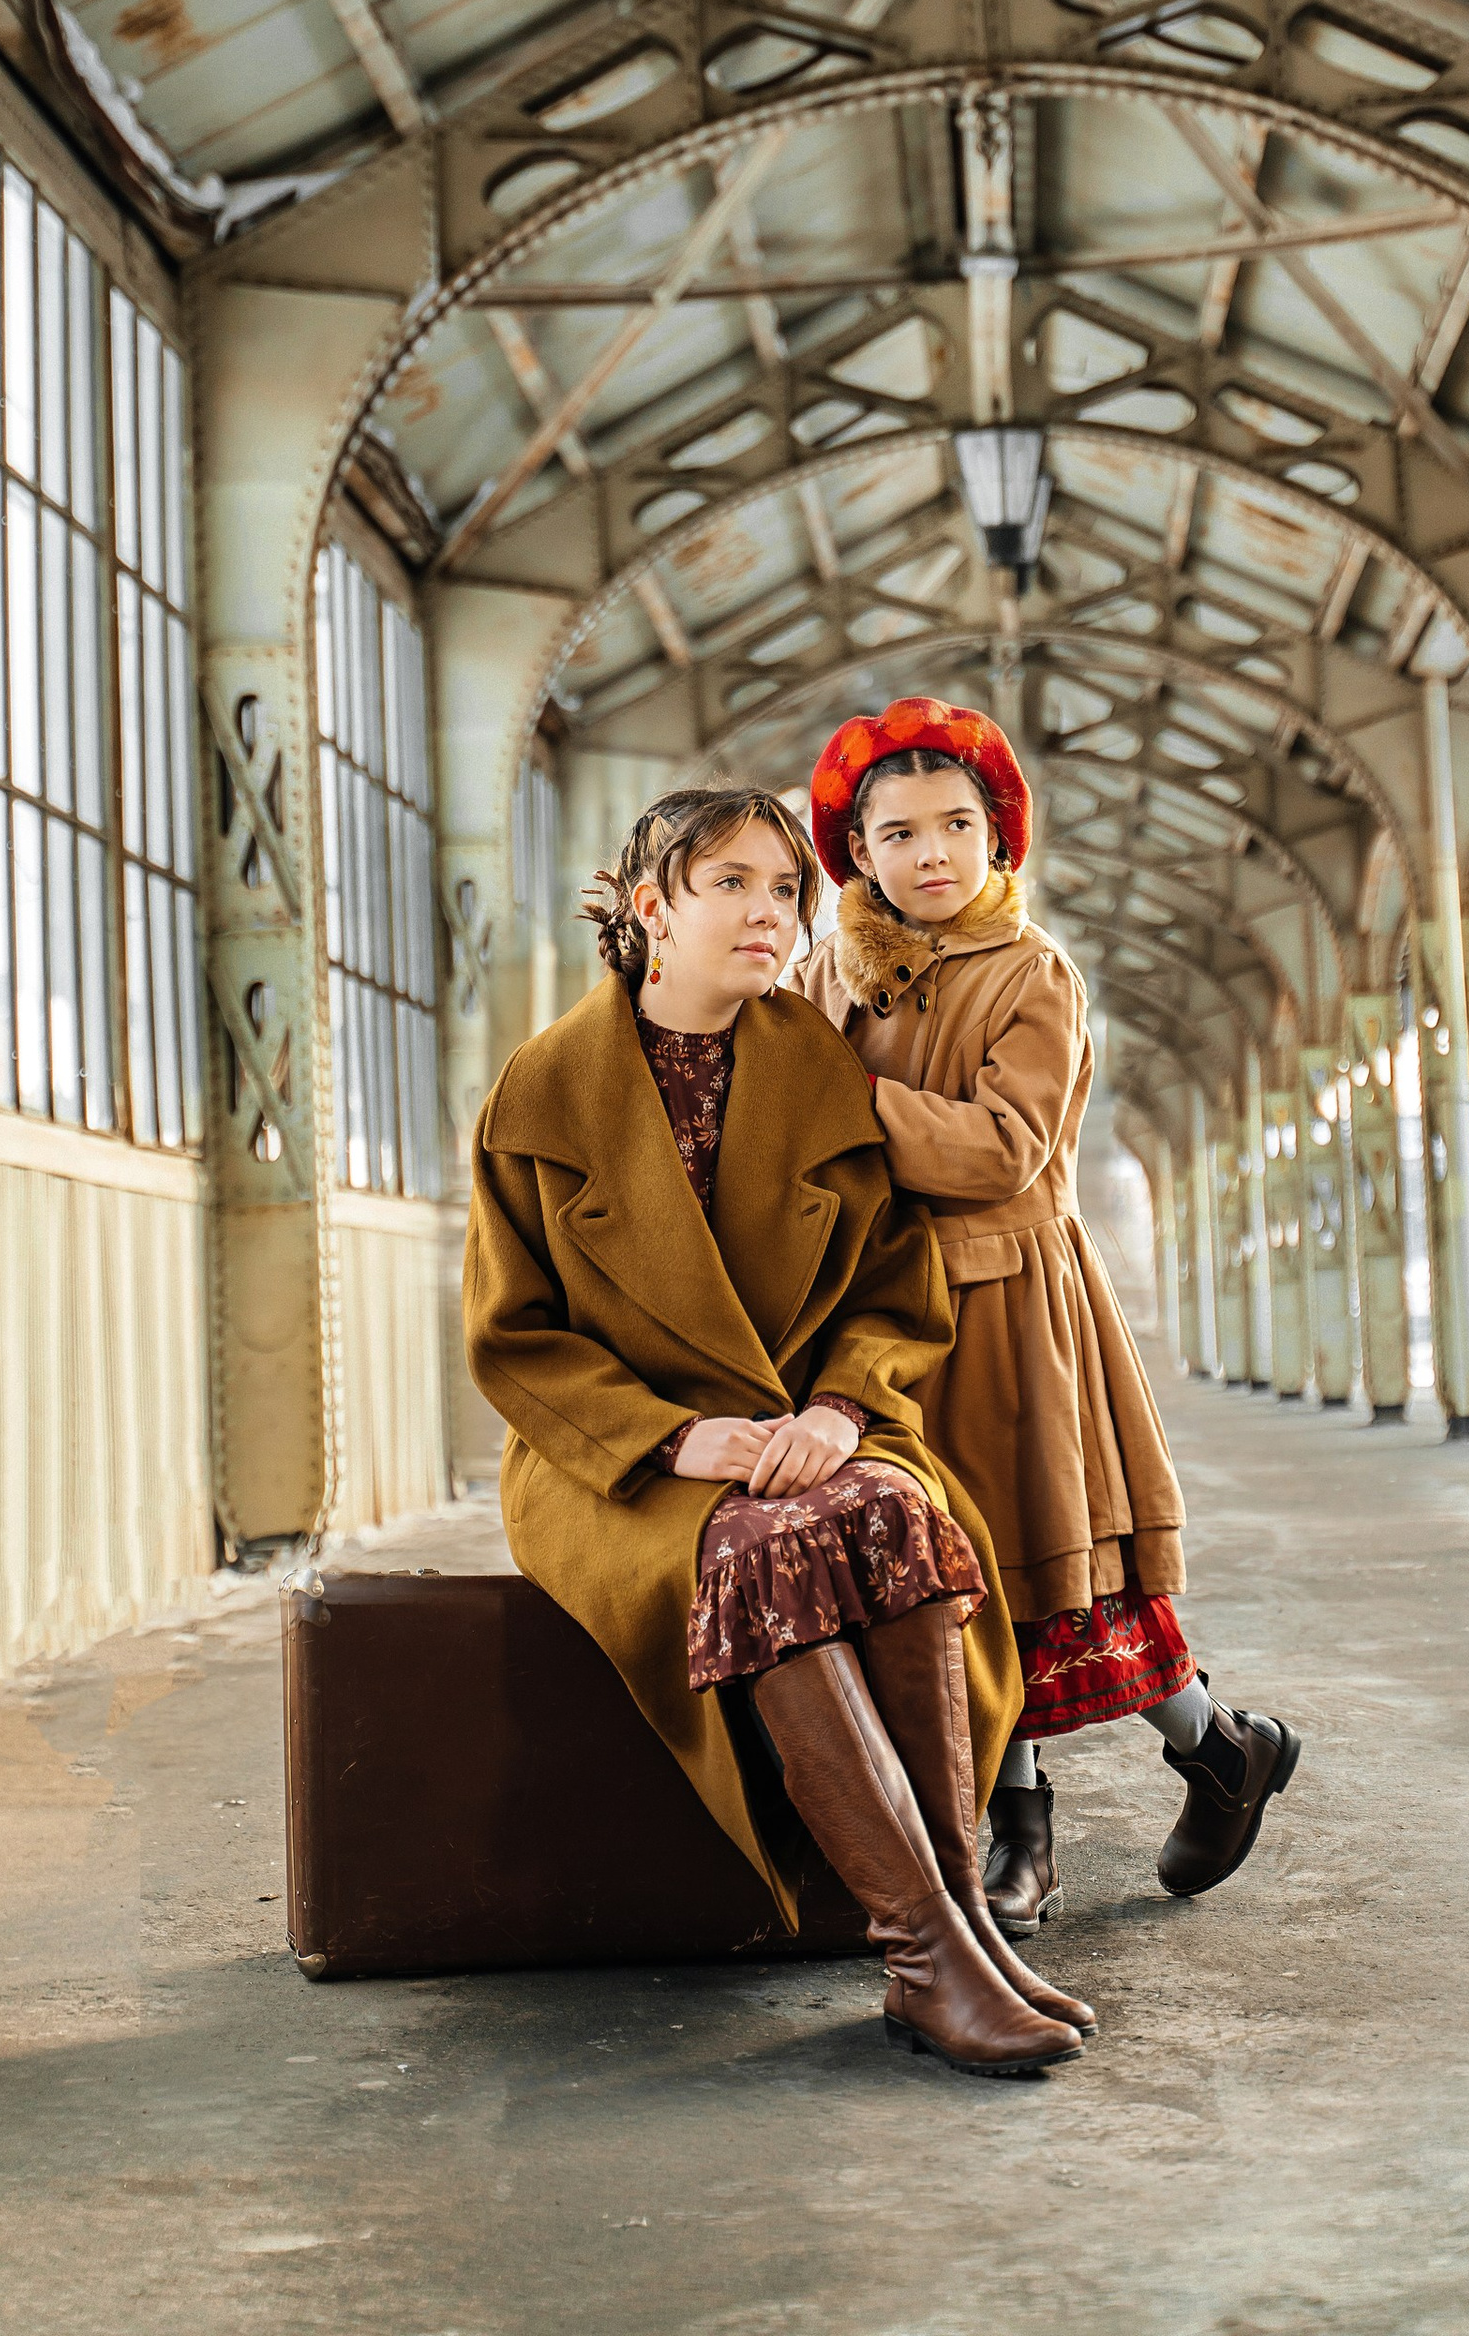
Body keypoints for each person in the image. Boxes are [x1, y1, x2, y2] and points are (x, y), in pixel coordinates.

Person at [462, 782, 1095, 2077]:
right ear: (652, 910)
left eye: (787, 889)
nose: (772, 914)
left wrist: (839, 1408)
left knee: (894, 1510)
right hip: (615, 1463)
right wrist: (676, 1443)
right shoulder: (543, 1091)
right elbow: (513, 1340)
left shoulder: (817, 1067)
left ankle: (963, 1918)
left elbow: (892, 1284)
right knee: (762, 1546)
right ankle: (921, 1951)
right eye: (732, 886)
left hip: (801, 1422)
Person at [800, 697, 1299, 1932]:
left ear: (999, 839)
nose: (931, 853)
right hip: (873, 1309)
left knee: (1041, 1570)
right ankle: (1054, 1814)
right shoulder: (824, 970)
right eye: (900, 830)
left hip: (1006, 1305)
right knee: (950, 1581)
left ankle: (1185, 1759)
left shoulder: (1035, 976)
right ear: (855, 850)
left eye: (957, 825)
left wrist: (844, 1102)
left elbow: (1003, 1152)